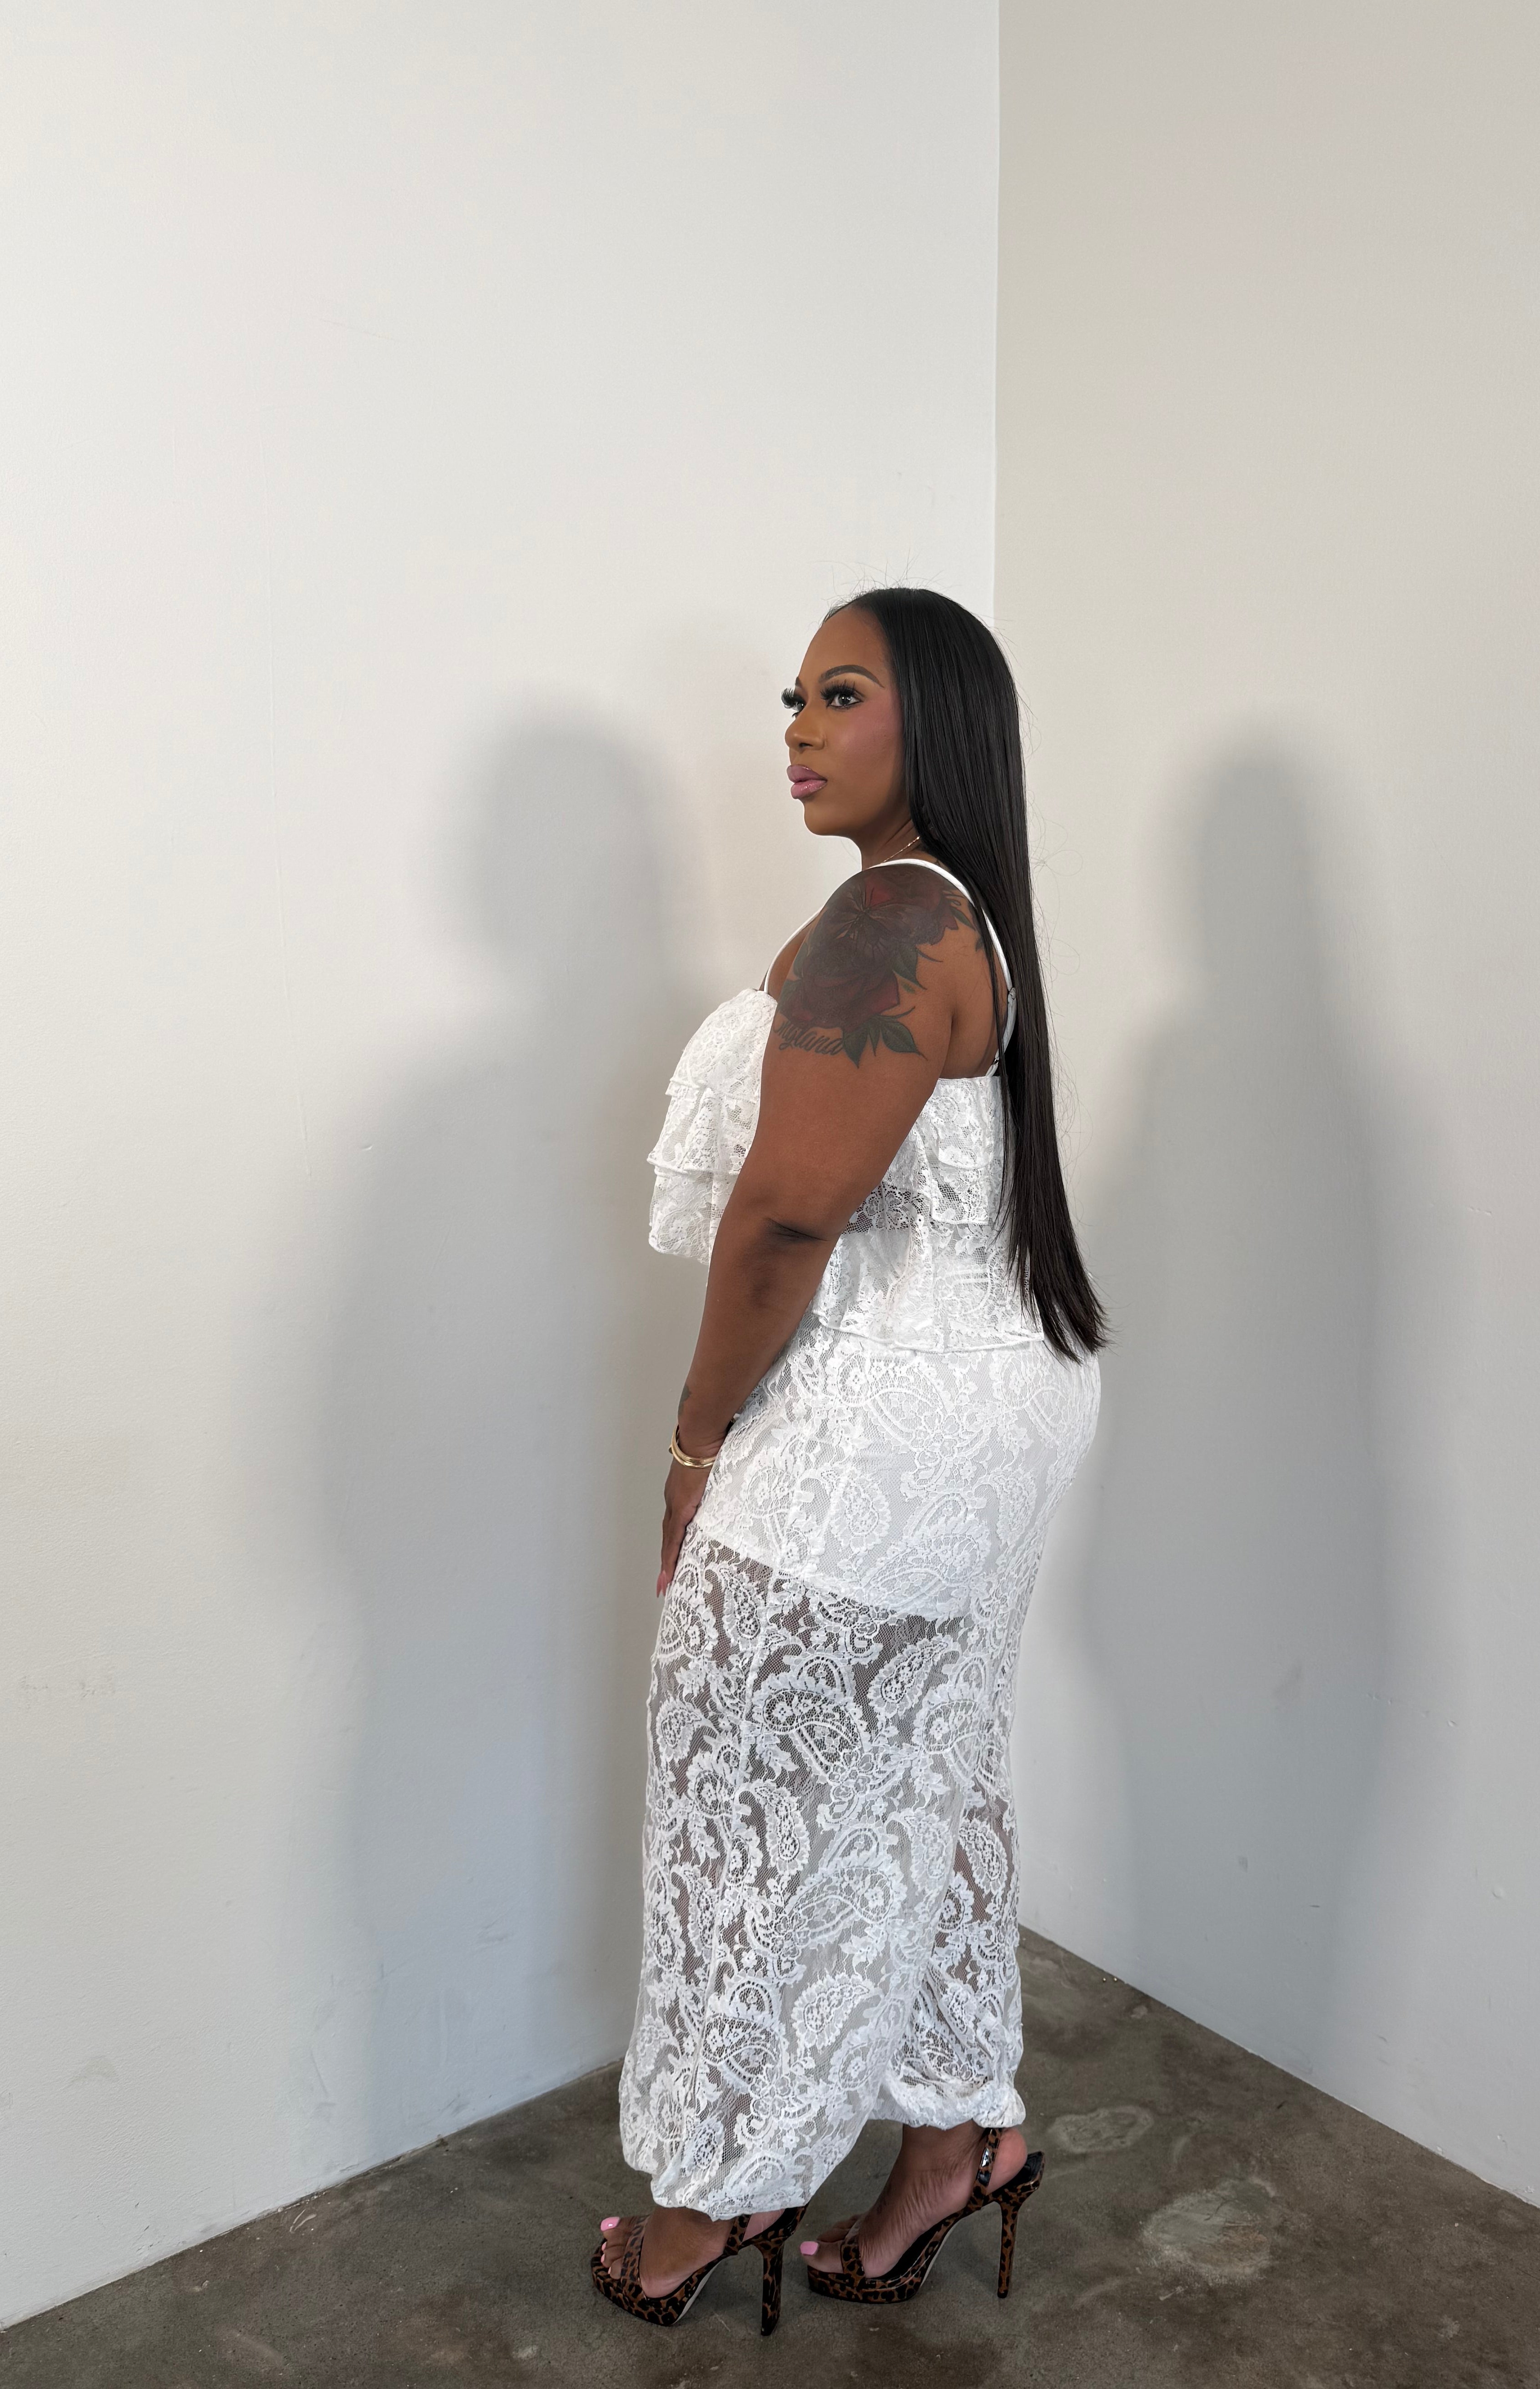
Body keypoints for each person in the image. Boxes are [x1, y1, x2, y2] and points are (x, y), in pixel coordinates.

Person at [591, 586, 1105, 2334]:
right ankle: (959, 2138)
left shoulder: (894, 917)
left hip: (879, 1432)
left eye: (841, 695)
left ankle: (711, 2198)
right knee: (916, 1781)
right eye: (793, 699)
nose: (799, 730)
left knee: (745, 1798)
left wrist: (694, 1440)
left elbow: (787, 1215)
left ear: (930, 723)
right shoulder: (950, 916)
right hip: (984, 1412)